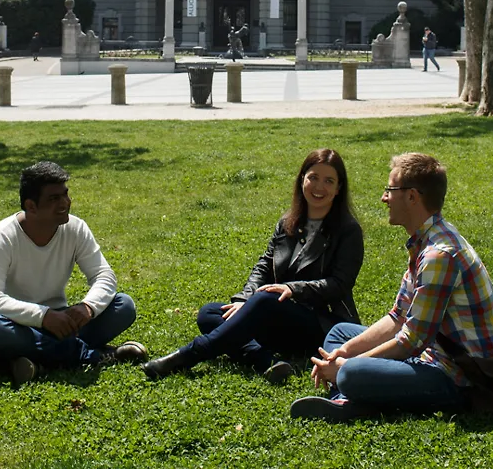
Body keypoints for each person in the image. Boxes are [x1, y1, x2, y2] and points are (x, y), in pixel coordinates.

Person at [290, 153, 493, 422]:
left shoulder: (440, 255)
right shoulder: (426, 240)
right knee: (339, 334)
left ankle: (350, 394)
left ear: (412, 197)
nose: (384, 198)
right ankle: (356, 395)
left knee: (350, 373)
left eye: (390, 190)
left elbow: (411, 341)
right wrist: (343, 353)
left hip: (457, 376)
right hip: (429, 354)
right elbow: (398, 318)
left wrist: (349, 365)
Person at [142, 149, 363, 385]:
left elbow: (339, 284)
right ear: (302, 180)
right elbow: (264, 265)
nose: (319, 187)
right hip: (278, 318)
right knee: (211, 313)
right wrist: (243, 299)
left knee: (265, 299)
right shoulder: (288, 221)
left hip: (322, 325)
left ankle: (188, 355)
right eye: (313, 177)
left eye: (329, 181)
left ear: (339, 188)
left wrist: (293, 289)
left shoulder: (348, 231)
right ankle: (265, 361)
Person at [0, 161, 147, 384]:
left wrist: (88, 307)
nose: (65, 203)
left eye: (65, 195)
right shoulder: (3, 236)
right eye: (54, 199)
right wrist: (43, 317)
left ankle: (35, 362)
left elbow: (104, 275)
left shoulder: (75, 228)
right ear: (31, 206)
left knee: (124, 305)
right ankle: (91, 355)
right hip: (16, 324)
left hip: (62, 322)